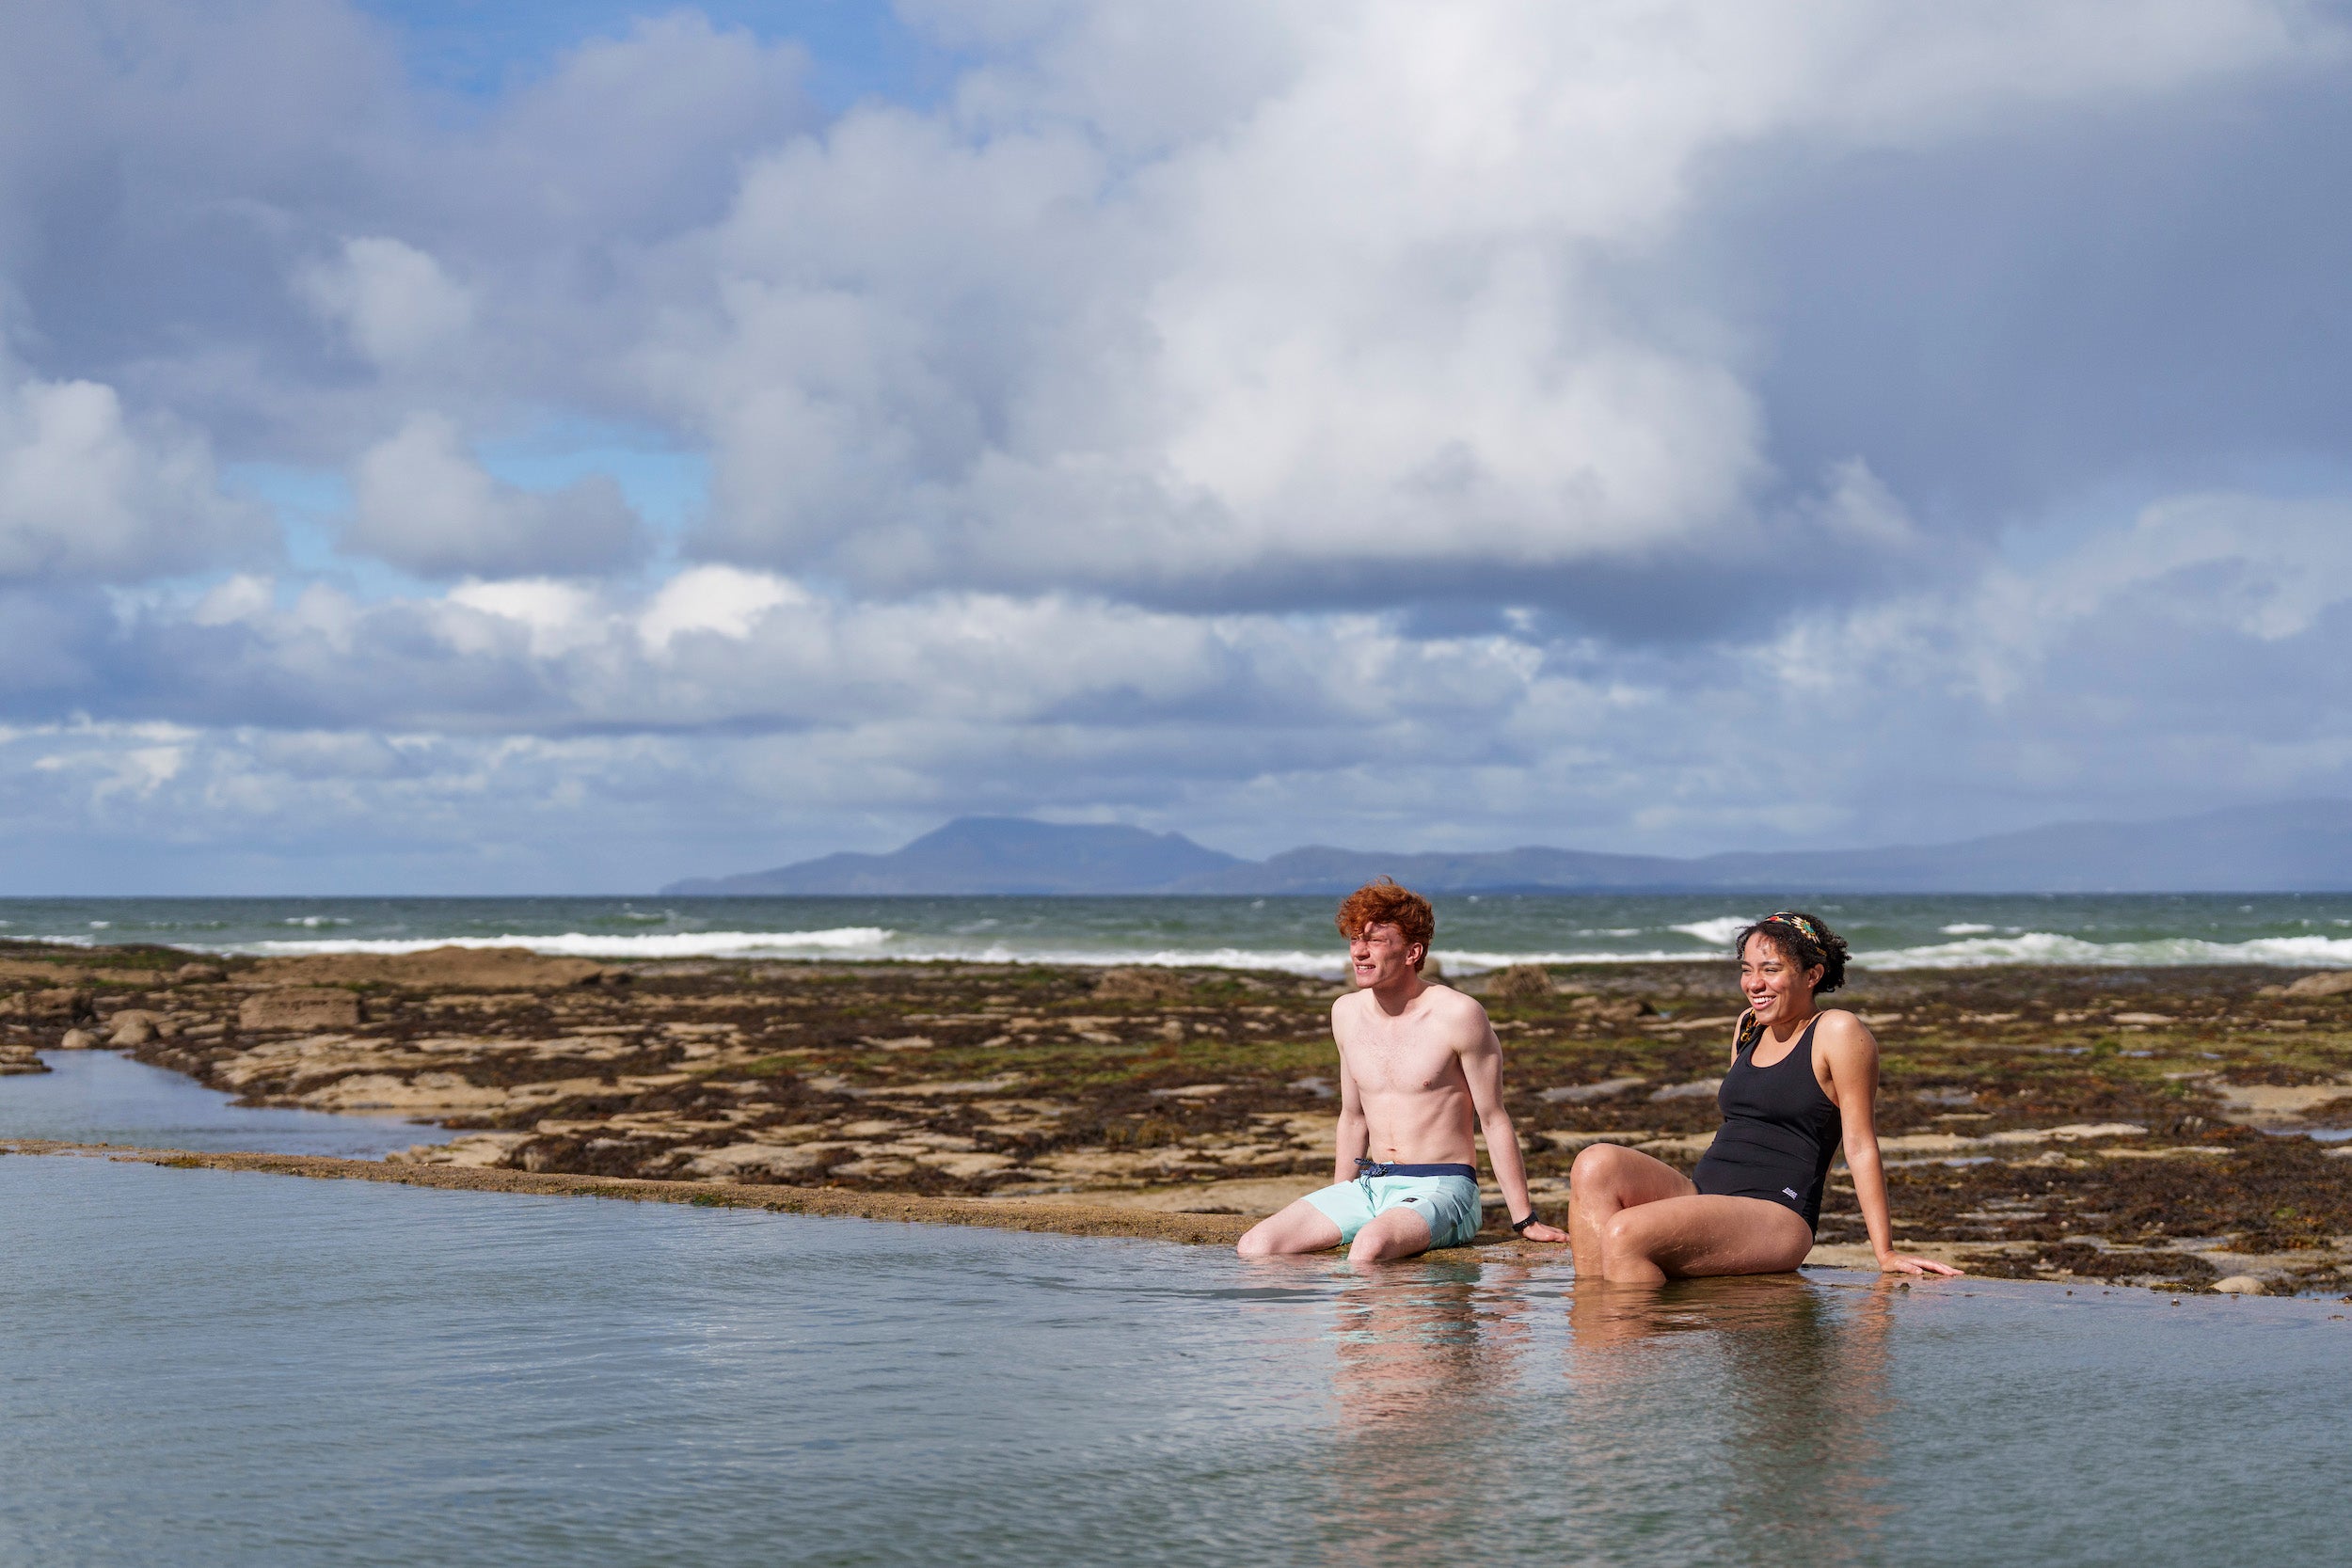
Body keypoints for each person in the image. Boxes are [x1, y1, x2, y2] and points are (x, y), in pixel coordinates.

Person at [1566, 911, 1962, 1284]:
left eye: (1771, 970)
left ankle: (1632, 1335)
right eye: (1747, 969)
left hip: (1777, 1214)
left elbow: (1859, 1145)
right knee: (1595, 1162)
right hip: (1705, 1195)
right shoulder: (1748, 1025)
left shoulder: (1837, 1031)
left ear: (1812, 975)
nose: (1754, 983)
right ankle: (1597, 1335)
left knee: (1625, 1232)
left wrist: (1885, 1252)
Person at [1237, 879, 1570, 1261]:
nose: (1360, 953)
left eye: (1376, 941)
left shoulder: (1458, 1014)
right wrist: (1339, 1200)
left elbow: (1493, 1118)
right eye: (1354, 940)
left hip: (1444, 1186)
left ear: (1413, 952)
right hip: (1373, 1183)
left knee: (1369, 1248)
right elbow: (1352, 1117)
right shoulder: (1345, 1013)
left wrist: (1525, 1220)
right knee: (1257, 1247)